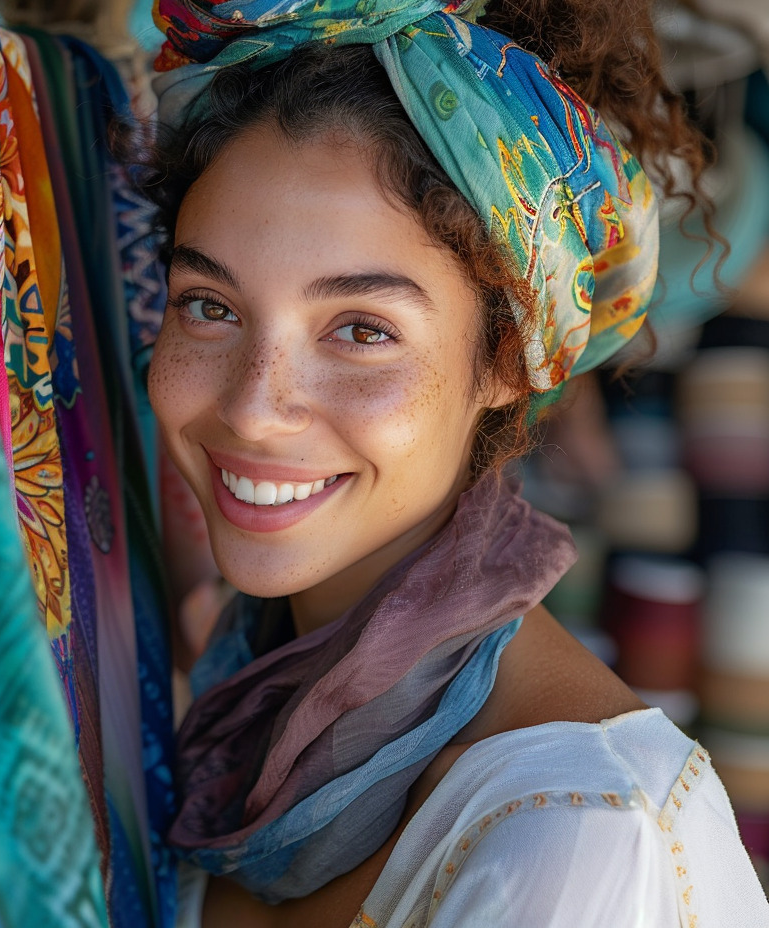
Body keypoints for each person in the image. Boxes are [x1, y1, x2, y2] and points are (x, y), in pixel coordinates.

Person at [138, 1, 769, 924]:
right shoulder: (233, 700)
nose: (253, 411)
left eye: (362, 330)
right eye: (209, 307)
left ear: (509, 361)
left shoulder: (581, 837)